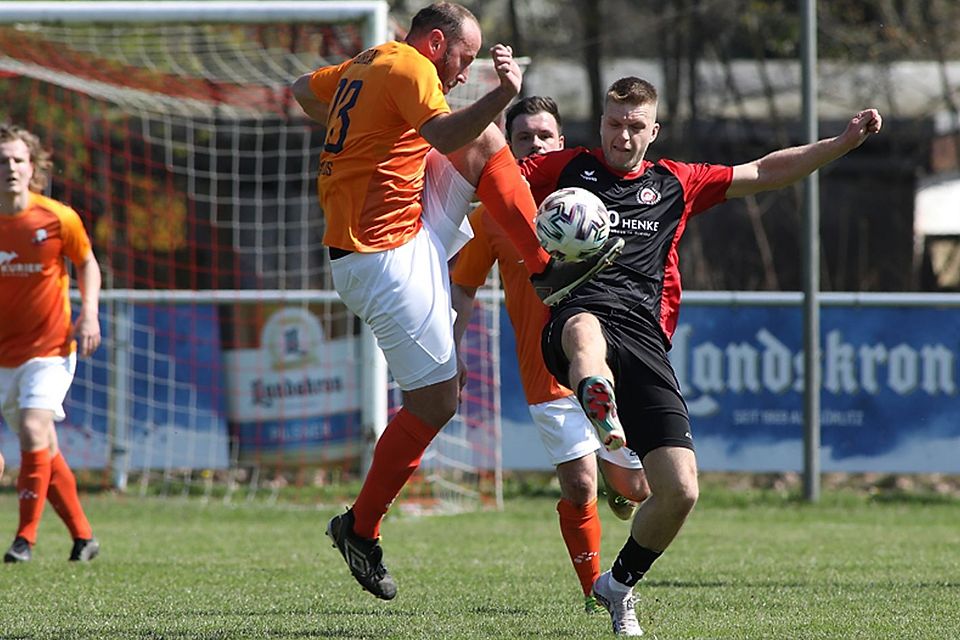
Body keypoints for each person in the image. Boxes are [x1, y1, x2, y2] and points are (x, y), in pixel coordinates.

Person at [521, 77, 882, 636]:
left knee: (681, 491)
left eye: (635, 125)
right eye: (614, 124)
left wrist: (838, 144)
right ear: (600, 126)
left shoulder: (674, 182)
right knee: (585, 333)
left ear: (654, 130)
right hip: (577, 311)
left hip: (645, 336)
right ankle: (598, 397)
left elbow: (762, 172)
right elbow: (489, 176)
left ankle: (618, 587)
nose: (623, 135)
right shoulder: (565, 169)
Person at [291, 2, 621, 601]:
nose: (464, 72)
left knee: (486, 143)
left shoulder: (370, 63)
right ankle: (359, 530)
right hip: (381, 257)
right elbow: (443, 133)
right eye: (464, 59)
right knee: (438, 401)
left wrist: (369, 131)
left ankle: (547, 265)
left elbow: (300, 90)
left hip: (405, 232)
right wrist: (503, 92)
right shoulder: (412, 67)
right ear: (437, 43)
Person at [451, 96, 650, 614]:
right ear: (510, 147)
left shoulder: (601, 203)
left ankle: (624, 491)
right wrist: (452, 351)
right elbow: (465, 285)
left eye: (545, 137)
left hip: (606, 359)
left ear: (561, 145)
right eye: (523, 138)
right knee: (579, 482)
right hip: (545, 372)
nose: (535, 145)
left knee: (639, 489)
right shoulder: (494, 215)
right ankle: (595, 591)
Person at [0, 123, 102, 563]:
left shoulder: (57, 217)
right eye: (2, 161)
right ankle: (84, 537)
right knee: (47, 448)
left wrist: (90, 314)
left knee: (32, 427)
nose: (10, 168)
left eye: (17, 160)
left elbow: (87, 262)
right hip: (2, 355)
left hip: (51, 349)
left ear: (32, 166)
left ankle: (24, 540)